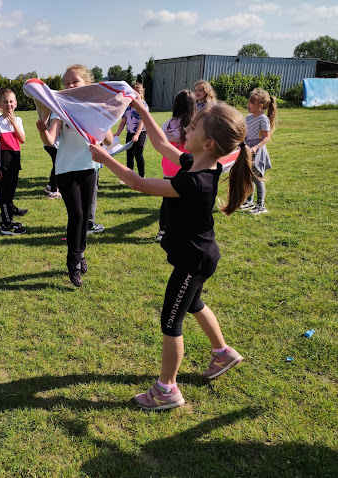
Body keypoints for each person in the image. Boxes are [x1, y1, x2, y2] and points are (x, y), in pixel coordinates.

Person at [90, 100, 255, 410]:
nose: (186, 128)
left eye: (193, 127)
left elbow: (137, 182)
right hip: (201, 255)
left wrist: (105, 158)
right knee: (193, 303)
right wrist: (142, 109)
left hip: (193, 260)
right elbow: (162, 144)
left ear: (208, 143)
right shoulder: (198, 163)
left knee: (171, 321)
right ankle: (223, 353)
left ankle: (166, 390)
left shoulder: (193, 181)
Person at [36, 64, 113, 286]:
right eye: (67, 82)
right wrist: (42, 128)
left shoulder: (93, 108)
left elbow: (108, 140)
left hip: (89, 168)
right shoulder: (61, 108)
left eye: (74, 82)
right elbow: (50, 140)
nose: (70, 86)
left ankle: (81, 253)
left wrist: (98, 121)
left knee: (85, 217)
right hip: (66, 169)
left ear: (87, 84)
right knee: (76, 216)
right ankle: (73, 263)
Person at [156, 89, 197, 242]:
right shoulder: (195, 126)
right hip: (188, 167)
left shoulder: (167, 125)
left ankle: (163, 230)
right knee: (186, 201)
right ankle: (183, 230)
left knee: (167, 200)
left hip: (169, 166)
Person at [0, 88, 27, 235]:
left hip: (14, 162)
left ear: (16, 103)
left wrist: (14, 123)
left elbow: (22, 139)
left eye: (11, 101)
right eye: (5, 102)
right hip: (4, 163)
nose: (9, 105)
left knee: (11, 193)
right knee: (5, 195)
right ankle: (6, 224)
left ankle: (9, 219)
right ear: (0, 104)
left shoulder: (18, 120)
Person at [239, 88, 277, 215]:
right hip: (247, 150)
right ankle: (249, 201)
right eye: (249, 101)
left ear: (260, 105)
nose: (248, 104)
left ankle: (261, 206)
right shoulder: (248, 118)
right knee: (248, 176)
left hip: (257, 152)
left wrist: (256, 147)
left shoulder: (263, 119)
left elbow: (266, 137)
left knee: (257, 178)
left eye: (252, 102)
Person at [115, 82, 148, 178]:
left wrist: (137, 135)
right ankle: (130, 177)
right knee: (129, 155)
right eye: (134, 93)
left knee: (138, 154)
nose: (137, 95)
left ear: (142, 94)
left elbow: (142, 121)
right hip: (130, 133)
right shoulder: (127, 106)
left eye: (139, 93)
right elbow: (123, 122)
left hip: (141, 133)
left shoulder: (143, 105)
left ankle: (141, 177)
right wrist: (117, 133)